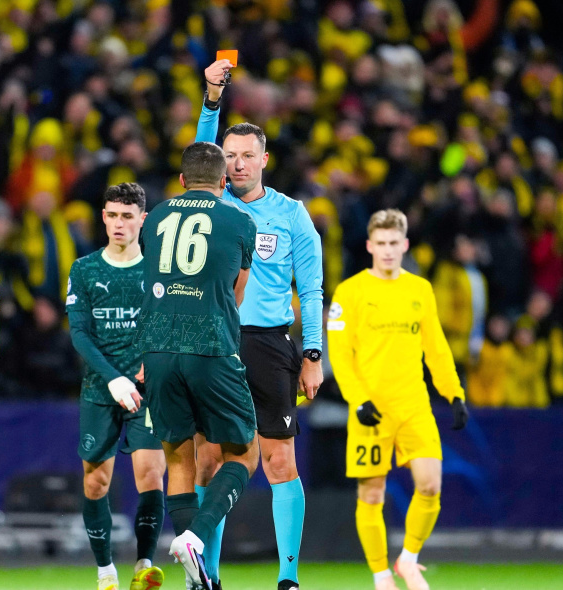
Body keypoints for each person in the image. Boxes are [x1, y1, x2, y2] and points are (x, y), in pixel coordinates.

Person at [195, 58, 325, 590]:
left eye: (248, 155)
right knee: (209, 461)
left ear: (265, 159)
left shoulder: (292, 214)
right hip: (214, 341)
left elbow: (311, 290)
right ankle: (208, 576)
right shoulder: (210, 204)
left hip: (269, 345)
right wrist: (211, 99)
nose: (238, 164)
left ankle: (287, 578)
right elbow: (198, 155)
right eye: (230, 156)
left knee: (279, 460)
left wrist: (313, 354)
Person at [136, 142, 258, 590]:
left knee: (178, 459)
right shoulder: (240, 221)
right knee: (244, 454)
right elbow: (236, 292)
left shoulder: (155, 217)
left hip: (157, 349)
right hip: (210, 346)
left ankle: (198, 579)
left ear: (182, 180)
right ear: (224, 181)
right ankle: (195, 538)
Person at [327, 209, 469, 590]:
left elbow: (436, 348)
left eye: (394, 243)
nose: (388, 250)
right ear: (370, 246)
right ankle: (381, 575)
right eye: (382, 243)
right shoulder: (350, 292)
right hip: (371, 408)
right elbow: (340, 355)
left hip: (413, 405)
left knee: (431, 485)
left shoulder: (420, 290)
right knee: (371, 493)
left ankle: (408, 559)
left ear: (405, 245)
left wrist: (454, 393)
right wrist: (358, 399)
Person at [66, 183, 166, 590]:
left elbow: (168, 324)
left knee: (151, 475)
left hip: (147, 390)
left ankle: (144, 565)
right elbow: (80, 334)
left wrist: (150, 364)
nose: (118, 223)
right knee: (96, 482)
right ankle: (105, 571)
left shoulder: (158, 270)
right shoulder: (85, 270)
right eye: (112, 215)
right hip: (100, 389)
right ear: (103, 217)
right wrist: (114, 378)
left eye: (127, 216)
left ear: (143, 219)